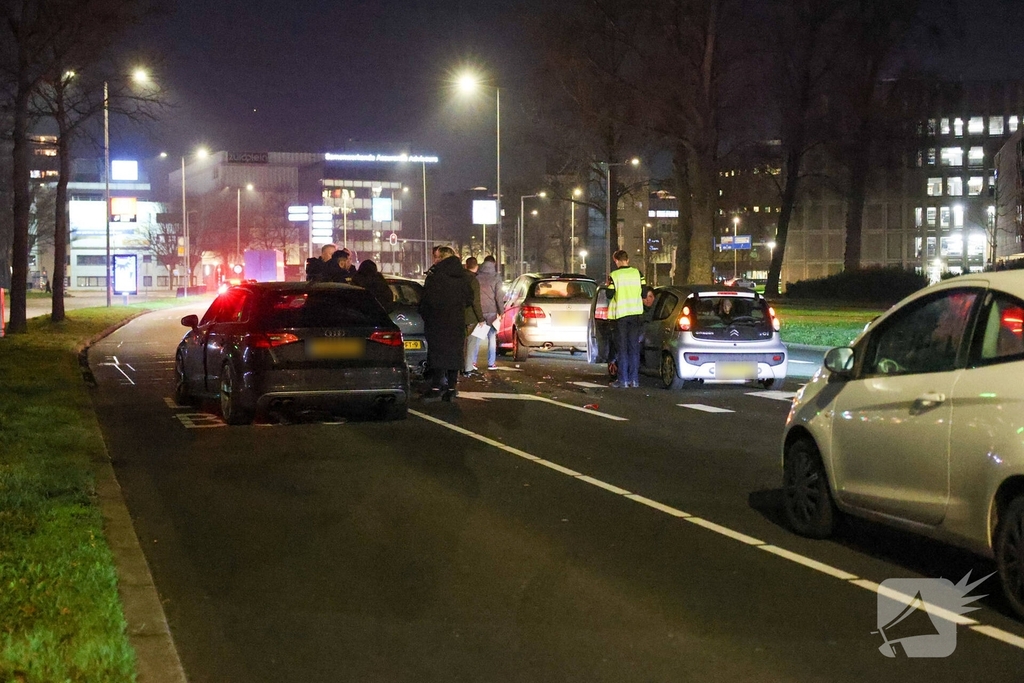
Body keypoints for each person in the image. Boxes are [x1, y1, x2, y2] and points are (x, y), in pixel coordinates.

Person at [419, 246, 474, 401]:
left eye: (436, 257)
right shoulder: (462, 276)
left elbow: (427, 300)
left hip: (438, 320)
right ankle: (451, 388)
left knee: (438, 353)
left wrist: (426, 314)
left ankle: (436, 387)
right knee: (454, 354)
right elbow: (469, 298)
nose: (434, 260)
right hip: (456, 320)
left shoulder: (436, 276)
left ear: (441, 258)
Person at [607, 250, 644, 388]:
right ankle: (634, 380)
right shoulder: (638, 273)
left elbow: (609, 294)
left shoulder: (614, 275)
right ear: (627, 260)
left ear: (616, 260)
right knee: (634, 348)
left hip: (621, 316)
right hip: (635, 315)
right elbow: (645, 292)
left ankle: (623, 380)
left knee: (622, 349)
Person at [475, 255, 504, 370]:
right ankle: (491, 363)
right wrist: (501, 312)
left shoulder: (477, 277)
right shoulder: (496, 278)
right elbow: (499, 296)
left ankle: (473, 361)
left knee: (477, 337)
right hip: (492, 312)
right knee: (492, 338)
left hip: (480, 312)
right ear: (494, 263)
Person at [462, 257, 486, 375]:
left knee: (462, 344)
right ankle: (468, 368)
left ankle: (461, 367)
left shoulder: (460, 278)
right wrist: (481, 319)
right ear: (476, 267)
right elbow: (476, 301)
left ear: (466, 265)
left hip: (460, 315)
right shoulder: (474, 281)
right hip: (471, 317)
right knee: (471, 343)